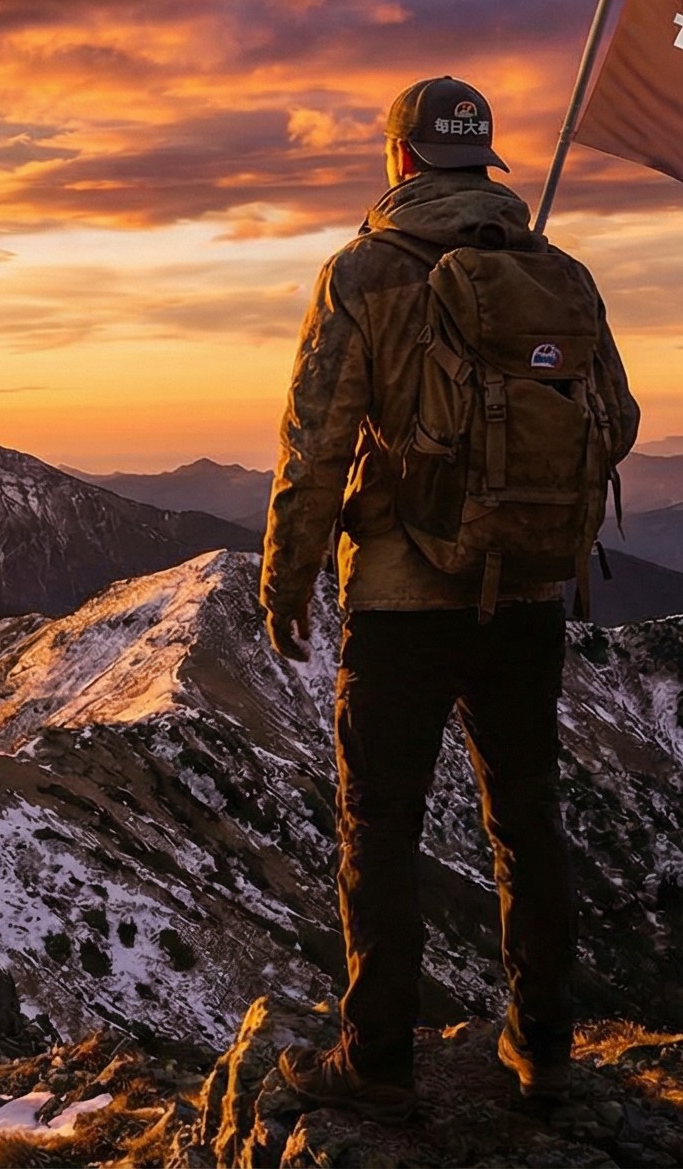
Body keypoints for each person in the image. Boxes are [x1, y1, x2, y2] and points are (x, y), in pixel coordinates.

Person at [259, 75, 639, 1120]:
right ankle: (544, 1048)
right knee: (525, 817)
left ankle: (376, 1061)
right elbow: (621, 417)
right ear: (483, 164)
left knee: (380, 827)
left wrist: (286, 579)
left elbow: (316, 441)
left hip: (398, 597)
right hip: (525, 590)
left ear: (399, 159)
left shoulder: (362, 273)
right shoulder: (557, 272)